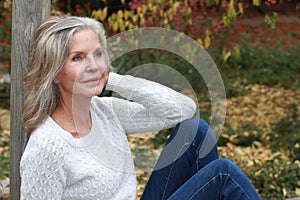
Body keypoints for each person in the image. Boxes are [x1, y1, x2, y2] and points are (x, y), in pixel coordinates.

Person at [20, 15, 262, 200]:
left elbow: (182, 109)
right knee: (223, 174)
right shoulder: (48, 146)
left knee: (194, 131)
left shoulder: (105, 111)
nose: (93, 65)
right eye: (78, 58)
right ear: (53, 73)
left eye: (97, 54)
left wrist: (113, 79)